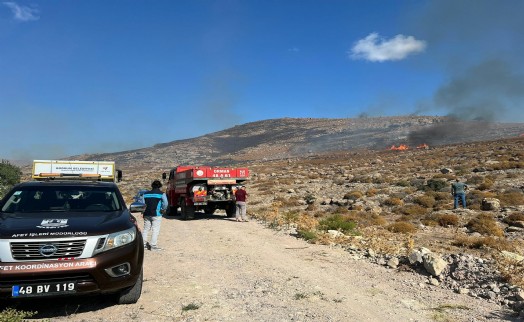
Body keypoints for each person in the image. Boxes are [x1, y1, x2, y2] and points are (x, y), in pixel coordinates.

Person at [142, 180, 168, 251]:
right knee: (155, 229)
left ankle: (143, 244)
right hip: (156, 214)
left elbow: (143, 204)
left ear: (152, 186)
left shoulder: (145, 194)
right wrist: (163, 209)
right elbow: (165, 203)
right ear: (160, 186)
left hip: (146, 213)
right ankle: (153, 245)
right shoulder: (161, 194)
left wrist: (143, 211)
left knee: (146, 229)